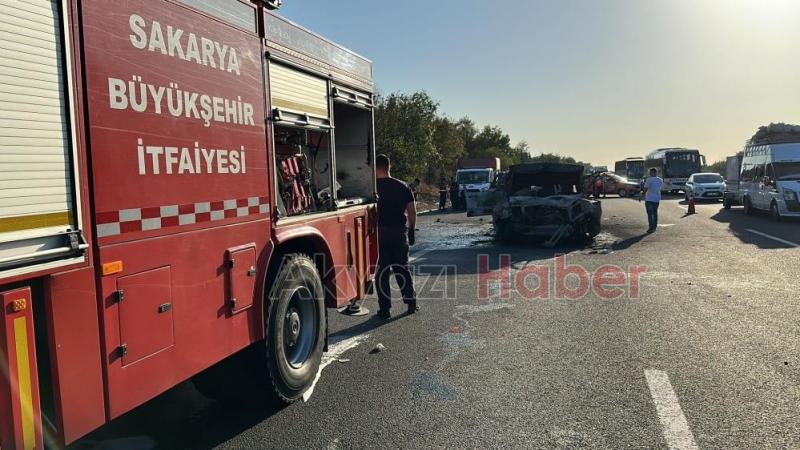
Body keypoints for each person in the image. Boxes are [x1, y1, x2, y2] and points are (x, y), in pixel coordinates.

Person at [375, 154, 418, 318]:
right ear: (389, 167)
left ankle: (384, 309)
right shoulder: (403, 186)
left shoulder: (372, 189)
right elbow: (412, 212)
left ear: (375, 168)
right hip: (399, 233)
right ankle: (411, 303)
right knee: (402, 269)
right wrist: (412, 230)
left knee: (382, 273)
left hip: (379, 235)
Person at [642, 168, 664, 233]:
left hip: (649, 199)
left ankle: (651, 228)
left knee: (650, 214)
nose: (650, 174)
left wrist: (642, 195)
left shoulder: (649, 179)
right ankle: (654, 227)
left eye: (651, 172)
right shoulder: (660, 180)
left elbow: (645, 188)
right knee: (655, 213)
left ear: (653, 172)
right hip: (657, 199)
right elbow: (661, 188)